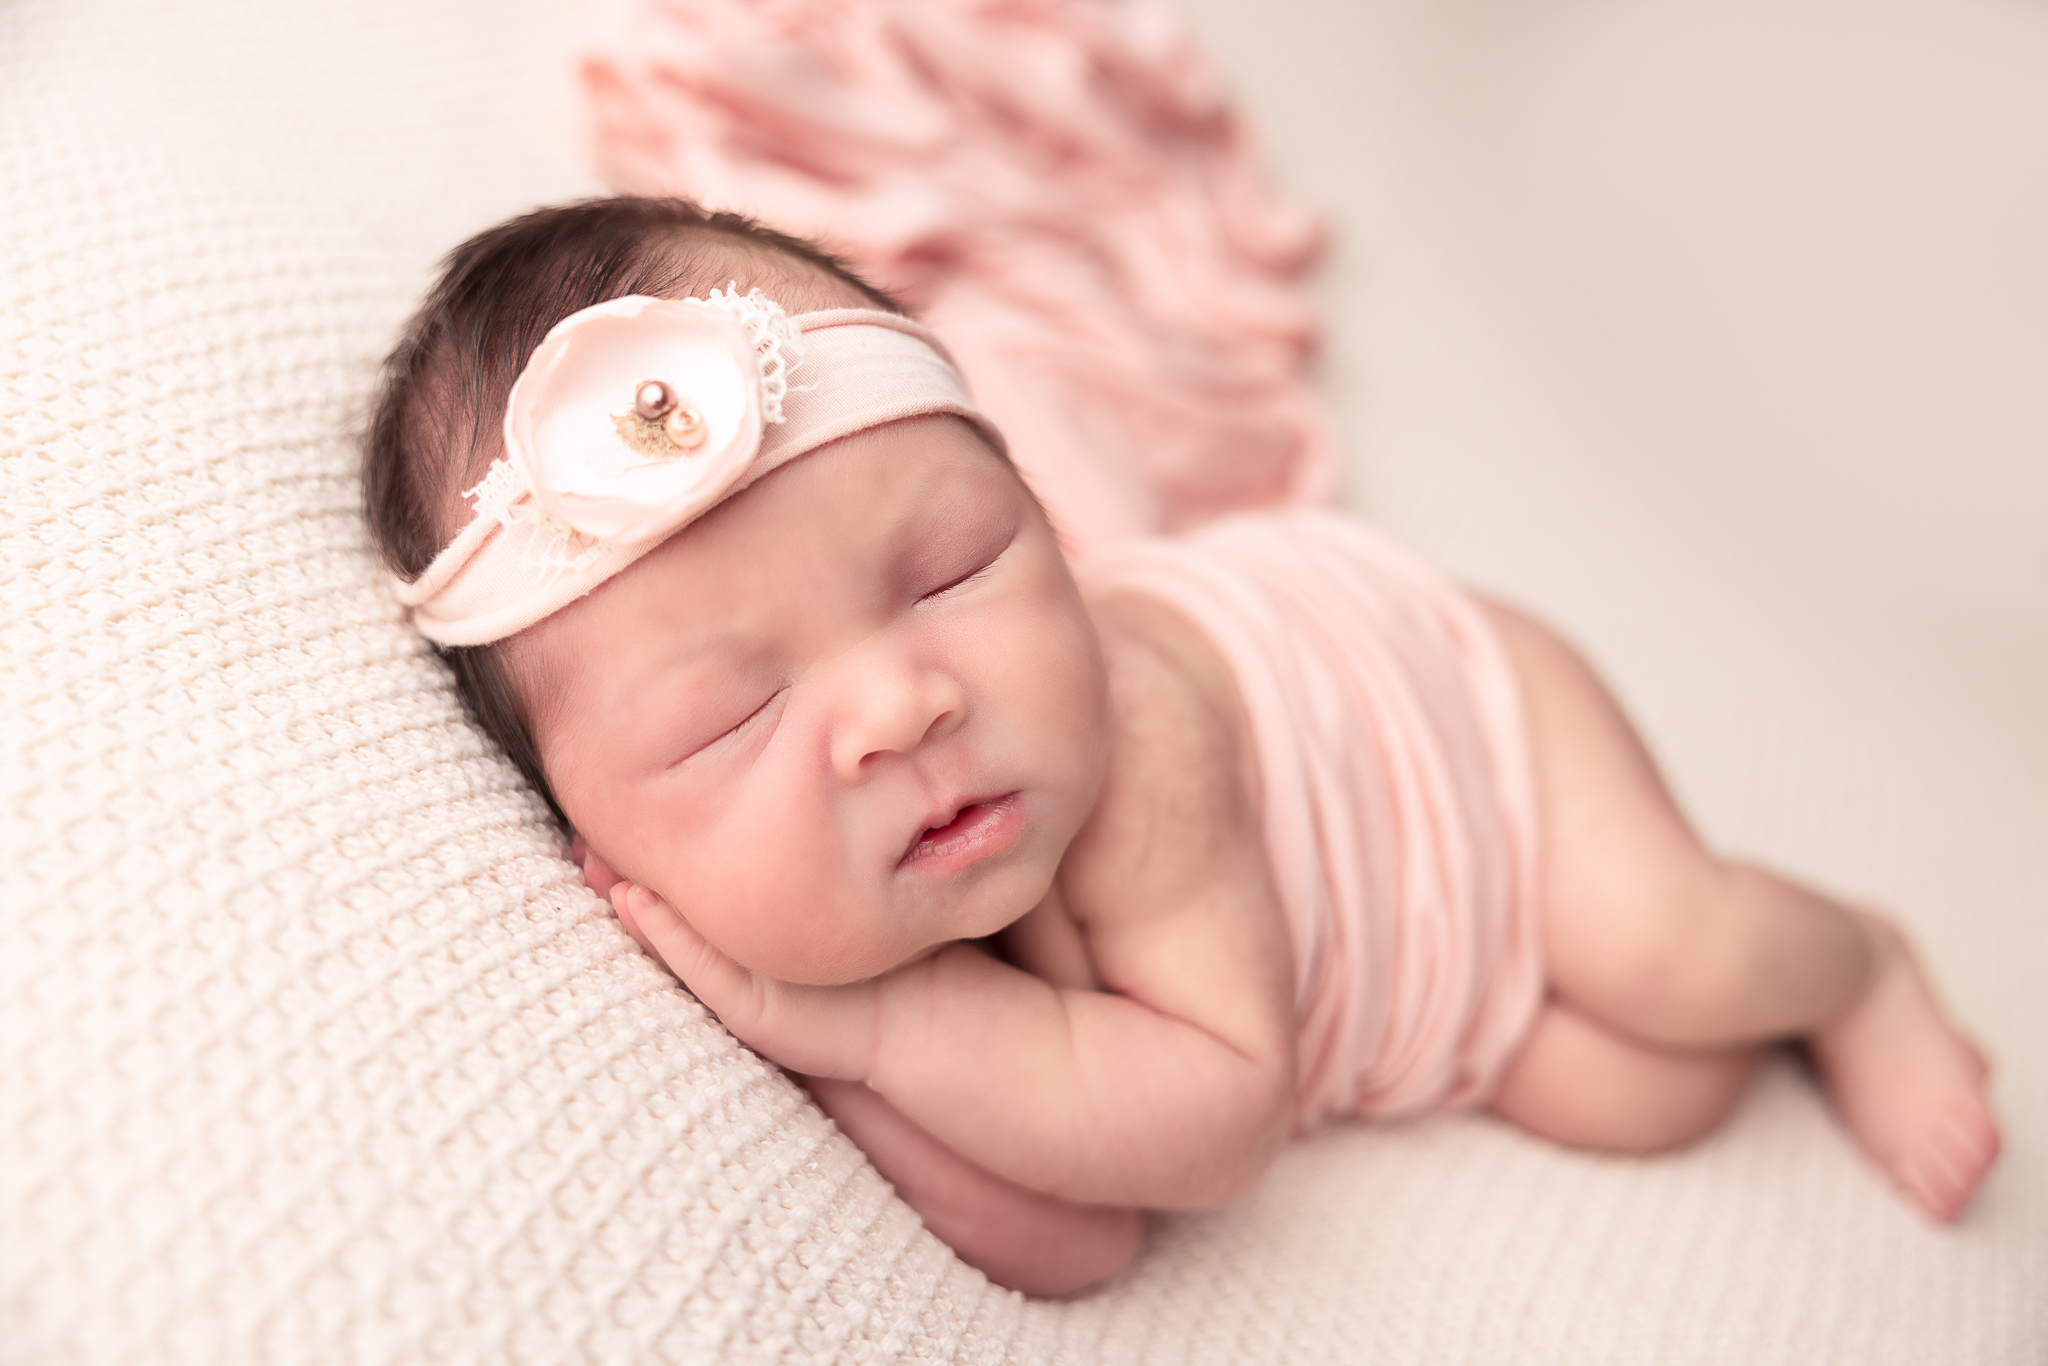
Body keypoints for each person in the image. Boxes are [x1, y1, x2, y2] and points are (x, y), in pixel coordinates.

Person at [364, 196, 1999, 1298]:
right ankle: (1610, 1011)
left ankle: (1860, 961)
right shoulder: (851, 902)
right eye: (737, 715)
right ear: (605, 840)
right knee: (1648, 1094)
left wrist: (872, 1030)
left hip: (1451, 719)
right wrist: (831, 1031)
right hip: (1404, 988)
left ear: (1048, 522)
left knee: (1675, 954)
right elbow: (1071, 1235)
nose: (900, 706)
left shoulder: (1131, 742)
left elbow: (1211, 1122)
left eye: (952, 570)